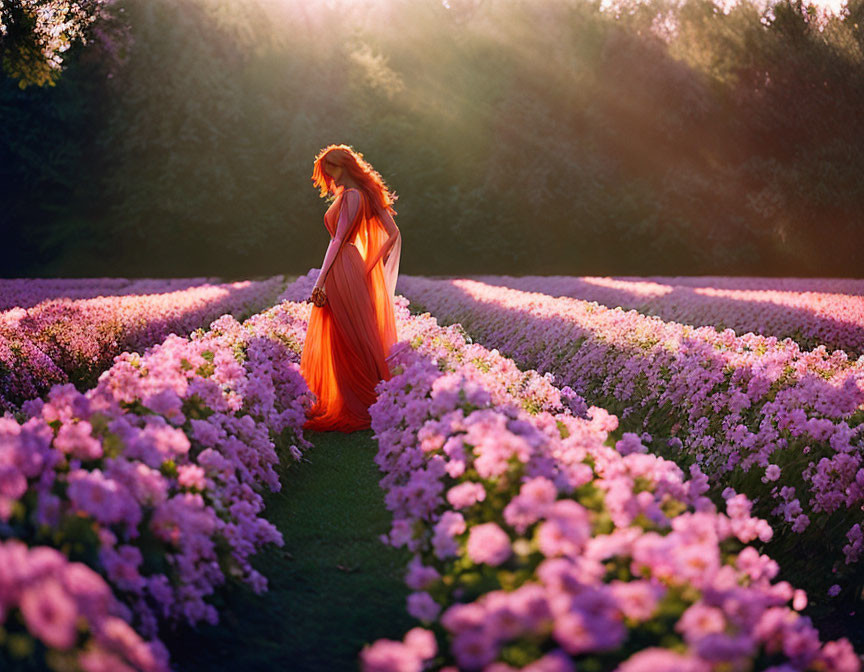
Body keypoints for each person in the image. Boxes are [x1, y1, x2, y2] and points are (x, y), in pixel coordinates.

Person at [299, 144, 403, 432]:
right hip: (352, 265)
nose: (328, 176)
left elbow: (337, 240)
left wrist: (320, 281)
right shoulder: (365, 195)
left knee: (342, 336)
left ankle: (354, 402)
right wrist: (368, 266)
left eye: (330, 169)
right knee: (355, 333)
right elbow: (393, 233)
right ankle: (370, 398)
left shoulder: (350, 196)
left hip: (341, 266)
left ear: (344, 166)